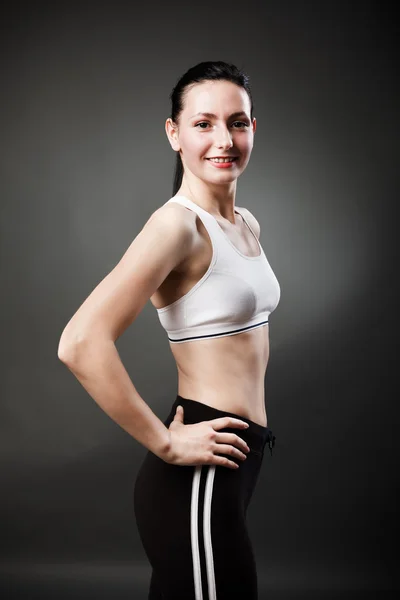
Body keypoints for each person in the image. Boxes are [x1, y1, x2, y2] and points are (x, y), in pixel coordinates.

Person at [58, 60, 280, 600]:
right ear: (173, 133)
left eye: (238, 122)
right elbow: (80, 342)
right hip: (200, 466)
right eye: (203, 123)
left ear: (253, 128)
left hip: (234, 463)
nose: (224, 139)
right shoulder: (177, 225)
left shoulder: (245, 222)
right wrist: (166, 444)